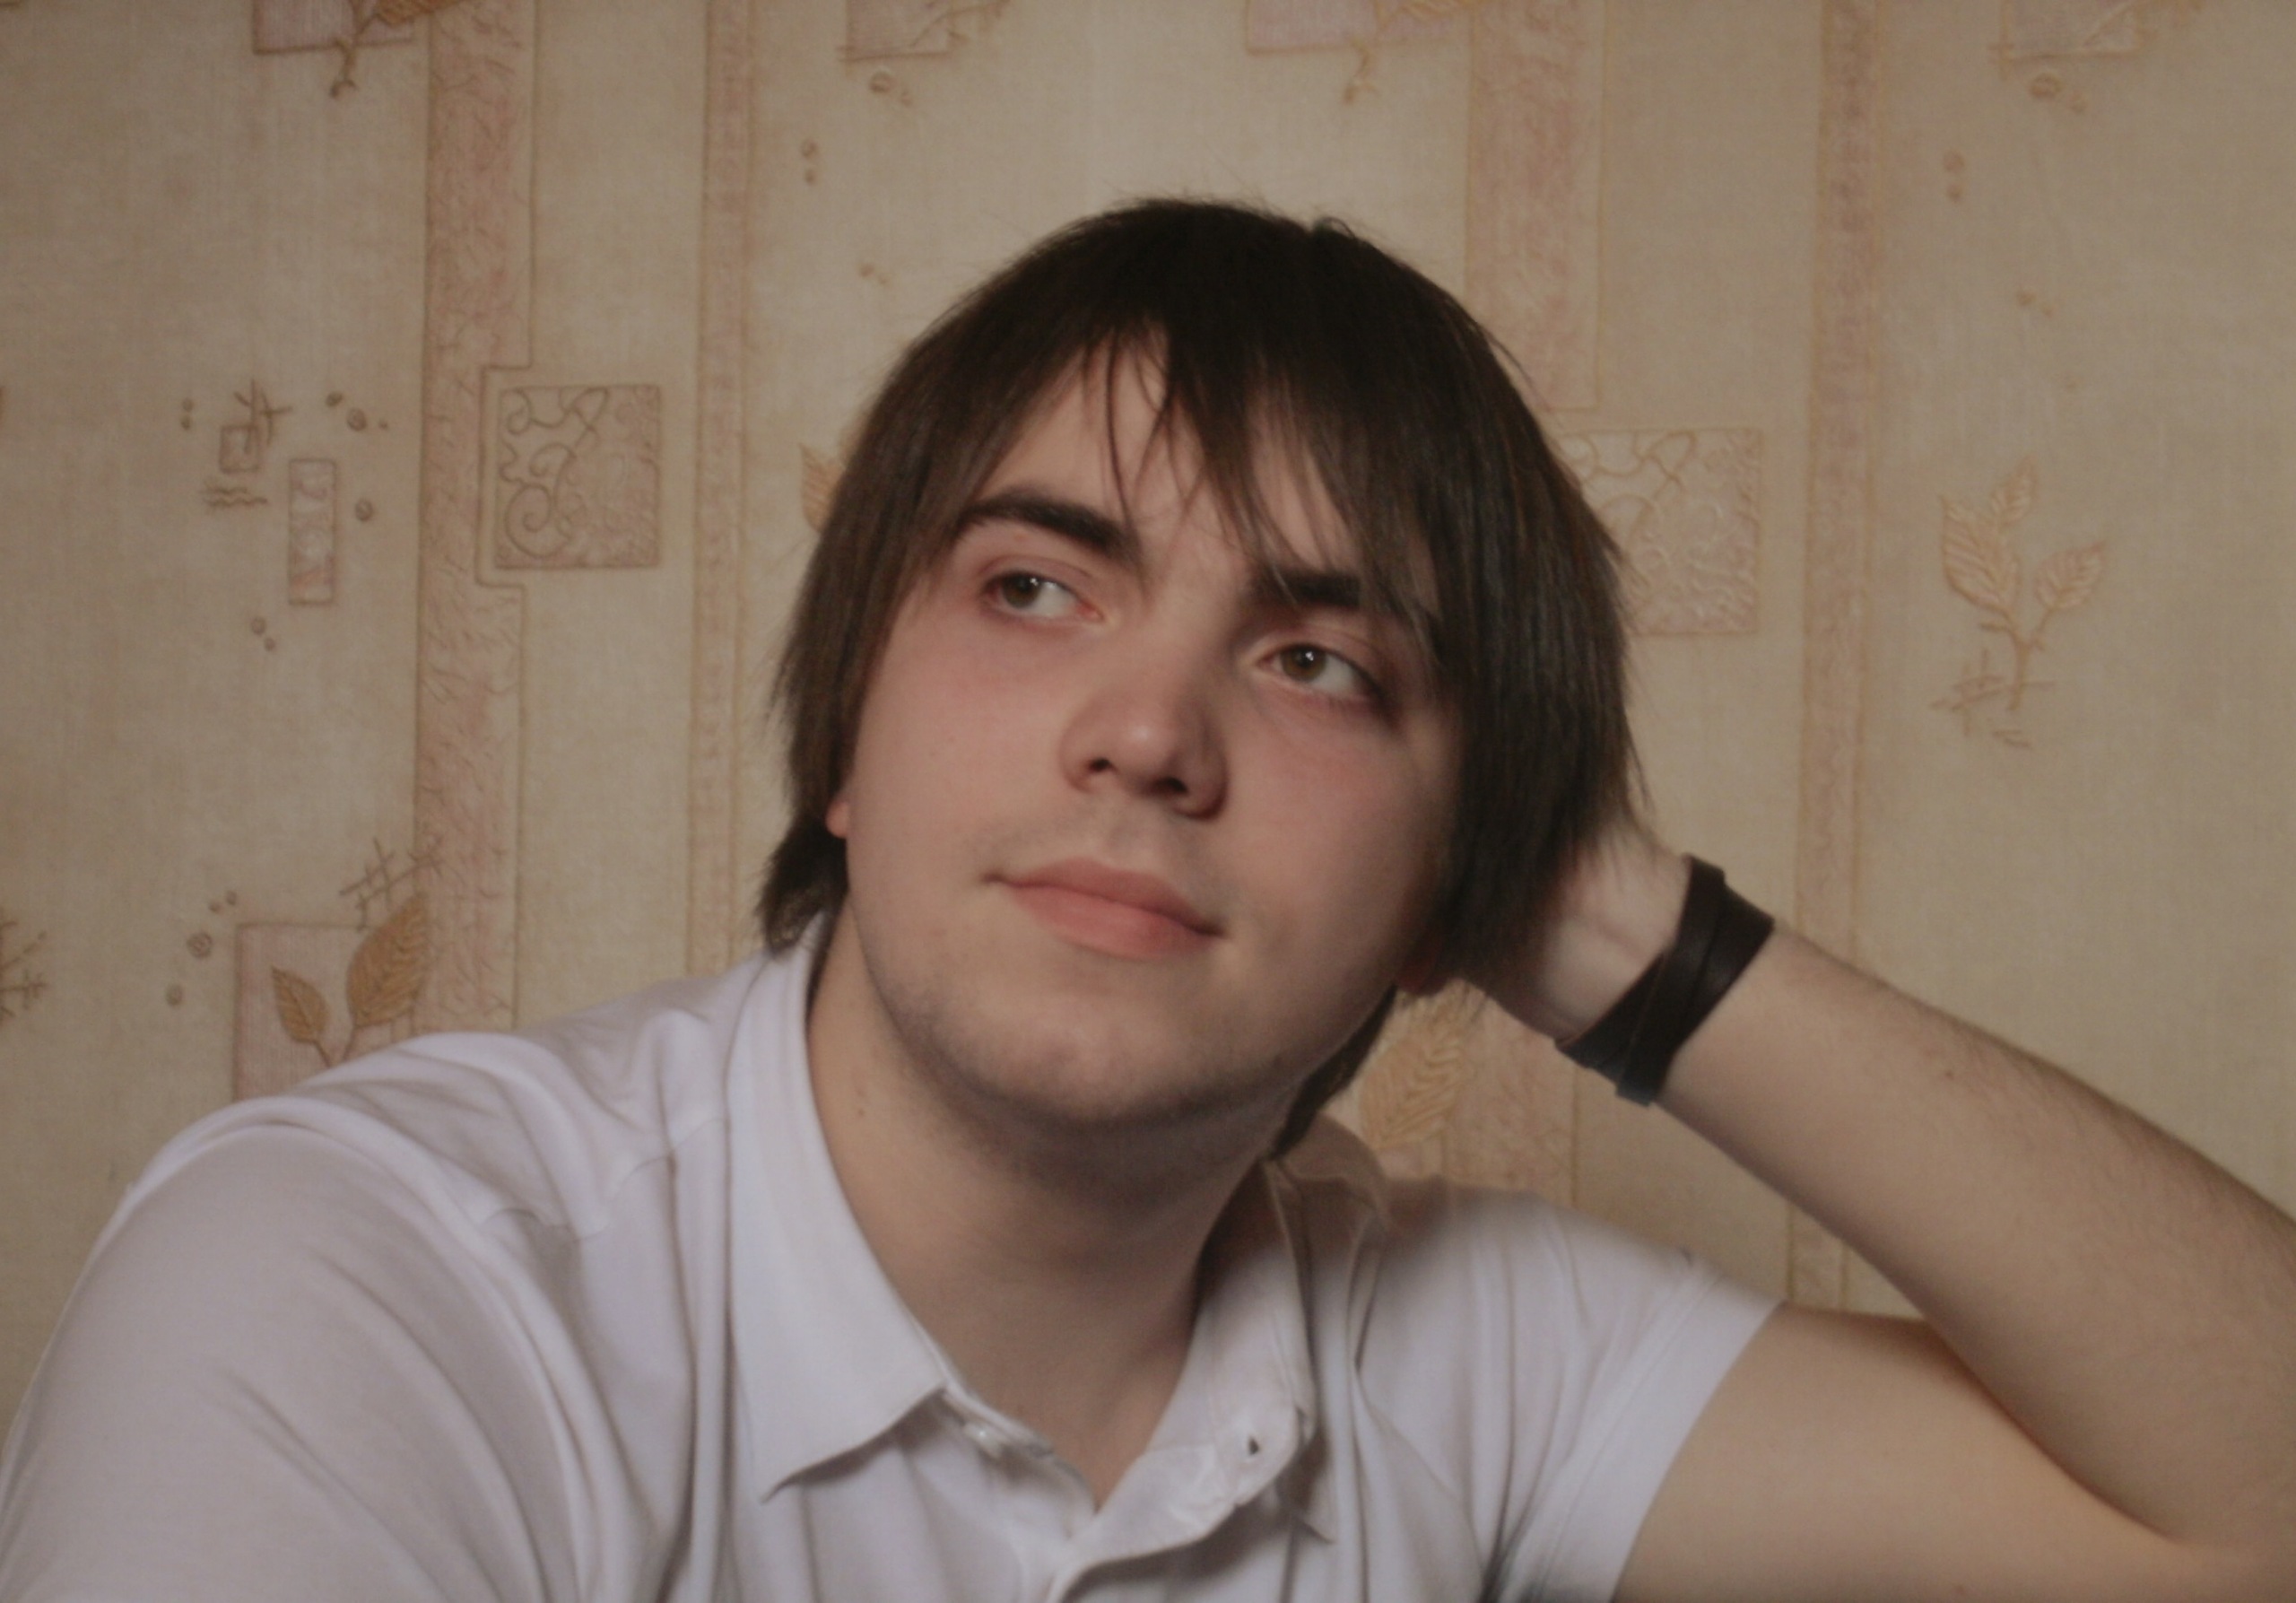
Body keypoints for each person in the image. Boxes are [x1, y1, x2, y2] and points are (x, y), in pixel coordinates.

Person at [3, 200, 2293, 1602]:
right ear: (844, 732)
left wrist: (1589, 906)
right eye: (1033, 586)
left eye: (1315, 664)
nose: (1146, 732)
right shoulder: (372, 1285)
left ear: (1448, 896)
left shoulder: (1446, 1341)